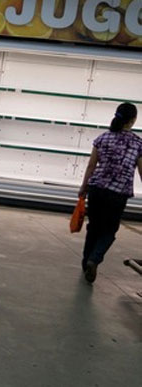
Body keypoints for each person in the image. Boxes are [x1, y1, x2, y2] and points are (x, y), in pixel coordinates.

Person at [77, 102, 142, 283]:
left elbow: (91, 166)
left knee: (93, 227)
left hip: (97, 189)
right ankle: (94, 259)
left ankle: (86, 262)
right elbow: (141, 171)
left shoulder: (103, 138)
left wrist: (83, 187)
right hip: (118, 194)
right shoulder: (138, 143)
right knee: (109, 230)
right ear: (133, 120)